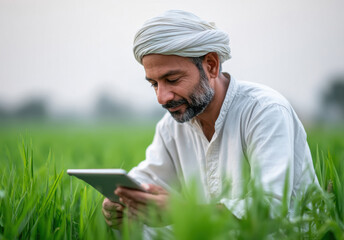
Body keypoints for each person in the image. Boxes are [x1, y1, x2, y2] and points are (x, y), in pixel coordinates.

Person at [102, 9, 318, 233]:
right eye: (154, 84)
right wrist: (122, 201)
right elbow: (148, 178)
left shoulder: (265, 111)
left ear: (211, 65)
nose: (162, 97)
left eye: (172, 79)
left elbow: (270, 208)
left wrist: (184, 213)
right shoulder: (171, 126)